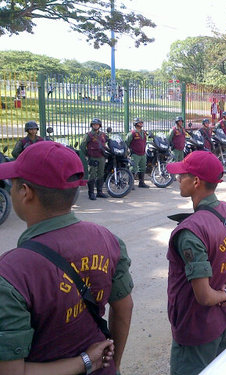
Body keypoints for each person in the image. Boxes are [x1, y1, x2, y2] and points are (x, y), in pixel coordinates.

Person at [0, 141, 134, 375]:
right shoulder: (108, 239)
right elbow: (124, 307)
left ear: (25, 193)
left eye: (13, 185)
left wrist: (85, 361)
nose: (10, 191)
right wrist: (115, 364)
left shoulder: (11, 273)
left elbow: (11, 371)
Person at [166, 151, 226, 375]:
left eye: (183, 175)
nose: (178, 179)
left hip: (196, 329)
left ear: (196, 182)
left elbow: (205, 296)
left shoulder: (191, 232)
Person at [80, 118, 108, 200]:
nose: (96, 126)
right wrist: (88, 154)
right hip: (93, 157)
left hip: (101, 157)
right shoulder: (88, 135)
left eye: (97, 124)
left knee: (101, 174)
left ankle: (99, 192)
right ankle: (91, 193)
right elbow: (82, 146)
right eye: (94, 124)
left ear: (100, 126)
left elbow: (108, 140)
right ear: (92, 125)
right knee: (92, 175)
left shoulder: (103, 134)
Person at [125, 117, 149, 188]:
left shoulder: (143, 132)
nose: (141, 124)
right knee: (133, 168)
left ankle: (141, 183)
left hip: (143, 153)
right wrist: (128, 151)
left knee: (143, 168)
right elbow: (126, 143)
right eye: (139, 123)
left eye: (141, 123)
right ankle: (130, 184)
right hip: (135, 154)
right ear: (135, 124)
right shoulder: (132, 133)